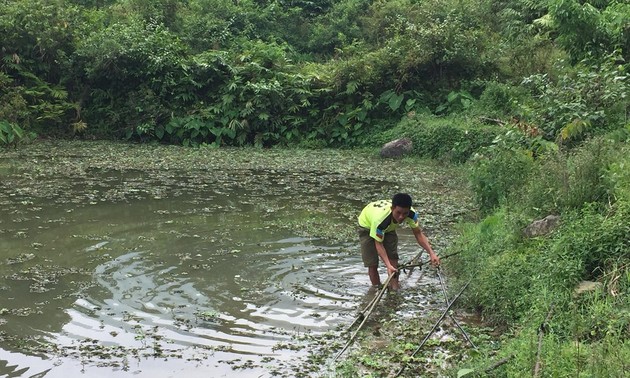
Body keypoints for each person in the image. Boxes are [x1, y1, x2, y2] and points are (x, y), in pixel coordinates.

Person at [358, 193, 440, 290]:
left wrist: (431, 253)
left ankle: (394, 288)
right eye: (398, 212)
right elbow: (378, 244)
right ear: (392, 209)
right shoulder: (380, 220)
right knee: (372, 263)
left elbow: (418, 234)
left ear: (409, 210)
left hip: (389, 227)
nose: (401, 217)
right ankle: (377, 289)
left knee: (393, 257)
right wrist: (388, 266)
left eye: (405, 213)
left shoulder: (412, 214)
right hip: (367, 225)